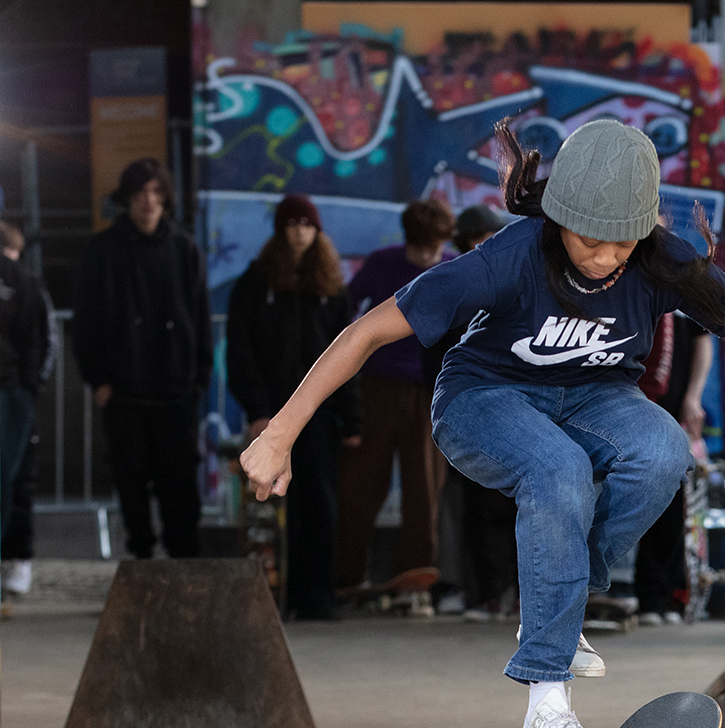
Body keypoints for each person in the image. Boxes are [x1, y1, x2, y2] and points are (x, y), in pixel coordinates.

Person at [240, 118, 725, 728]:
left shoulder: (665, 263)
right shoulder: (507, 258)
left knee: (663, 449)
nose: (603, 258)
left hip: (594, 397)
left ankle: (563, 602)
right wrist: (280, 434)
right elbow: (365, 335)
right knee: (559, 470)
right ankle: (547, 712)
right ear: (557, 216)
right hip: (483, 399)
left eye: (621, 245)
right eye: (587, 239)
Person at [225, 196, 359, 619]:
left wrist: (351, 417)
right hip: (273, 413)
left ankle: (318, 596)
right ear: (280, 230)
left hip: (320, 417)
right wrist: (258, 411)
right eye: (292, 223)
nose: (299, 231)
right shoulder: (256, 282)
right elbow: (241, 351)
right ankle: (275, 599)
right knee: (276, 507)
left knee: (320, 504)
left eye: (307, 223)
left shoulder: (331, 287)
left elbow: (351, 352)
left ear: (317, 231)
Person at [72, 158, 210, 560]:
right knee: (130, 481)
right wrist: (97, 378)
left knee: (180, 483)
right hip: (124, 390)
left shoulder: (184, 249)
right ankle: (141, 562)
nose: (148, 201)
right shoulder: (103, 250)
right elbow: (87, 319)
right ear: (127, 199)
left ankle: (184, 567)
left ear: (166, 197)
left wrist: (199, 376)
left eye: (156, 192)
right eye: (140, 193)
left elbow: (199, 315)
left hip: (175, 389)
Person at [339, 197, 457, 604]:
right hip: (377, 386)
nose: (429, 256)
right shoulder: (382, 263)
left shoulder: (453, 266)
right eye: (422, 248)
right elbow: (346, 308)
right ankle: (348, 576)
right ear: (408, 240)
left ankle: (414, 579)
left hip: (431, 391)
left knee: (424, 488)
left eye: (436, 248)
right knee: (361, 483)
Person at [423, 204, 517, 622]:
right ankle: (481, 593)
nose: (484, 246)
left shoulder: (515, 277)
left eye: (490, 237)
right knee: (474, 507)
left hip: (514, 408)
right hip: (468, 409)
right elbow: (431, 350)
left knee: (513, 504)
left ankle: (511, 591)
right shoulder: (455, 283)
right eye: (476, 239)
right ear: (463, 243)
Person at [629, 310, 713, 625]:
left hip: (674, 406)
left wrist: (694, 396)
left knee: (673, 501)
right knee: (634, 496)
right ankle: (639, 592)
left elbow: (702, 339)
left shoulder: (682, 276)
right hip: (632, 402)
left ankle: (664, 595)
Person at [0, 221, 49, 600]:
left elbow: (38, 341)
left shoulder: (22, 283)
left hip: (11, 388)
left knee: (10, 479)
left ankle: (15, 558)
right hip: (13, 388)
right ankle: (14, 559)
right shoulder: (26, 281)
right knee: (11, 479)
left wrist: (26, 388)